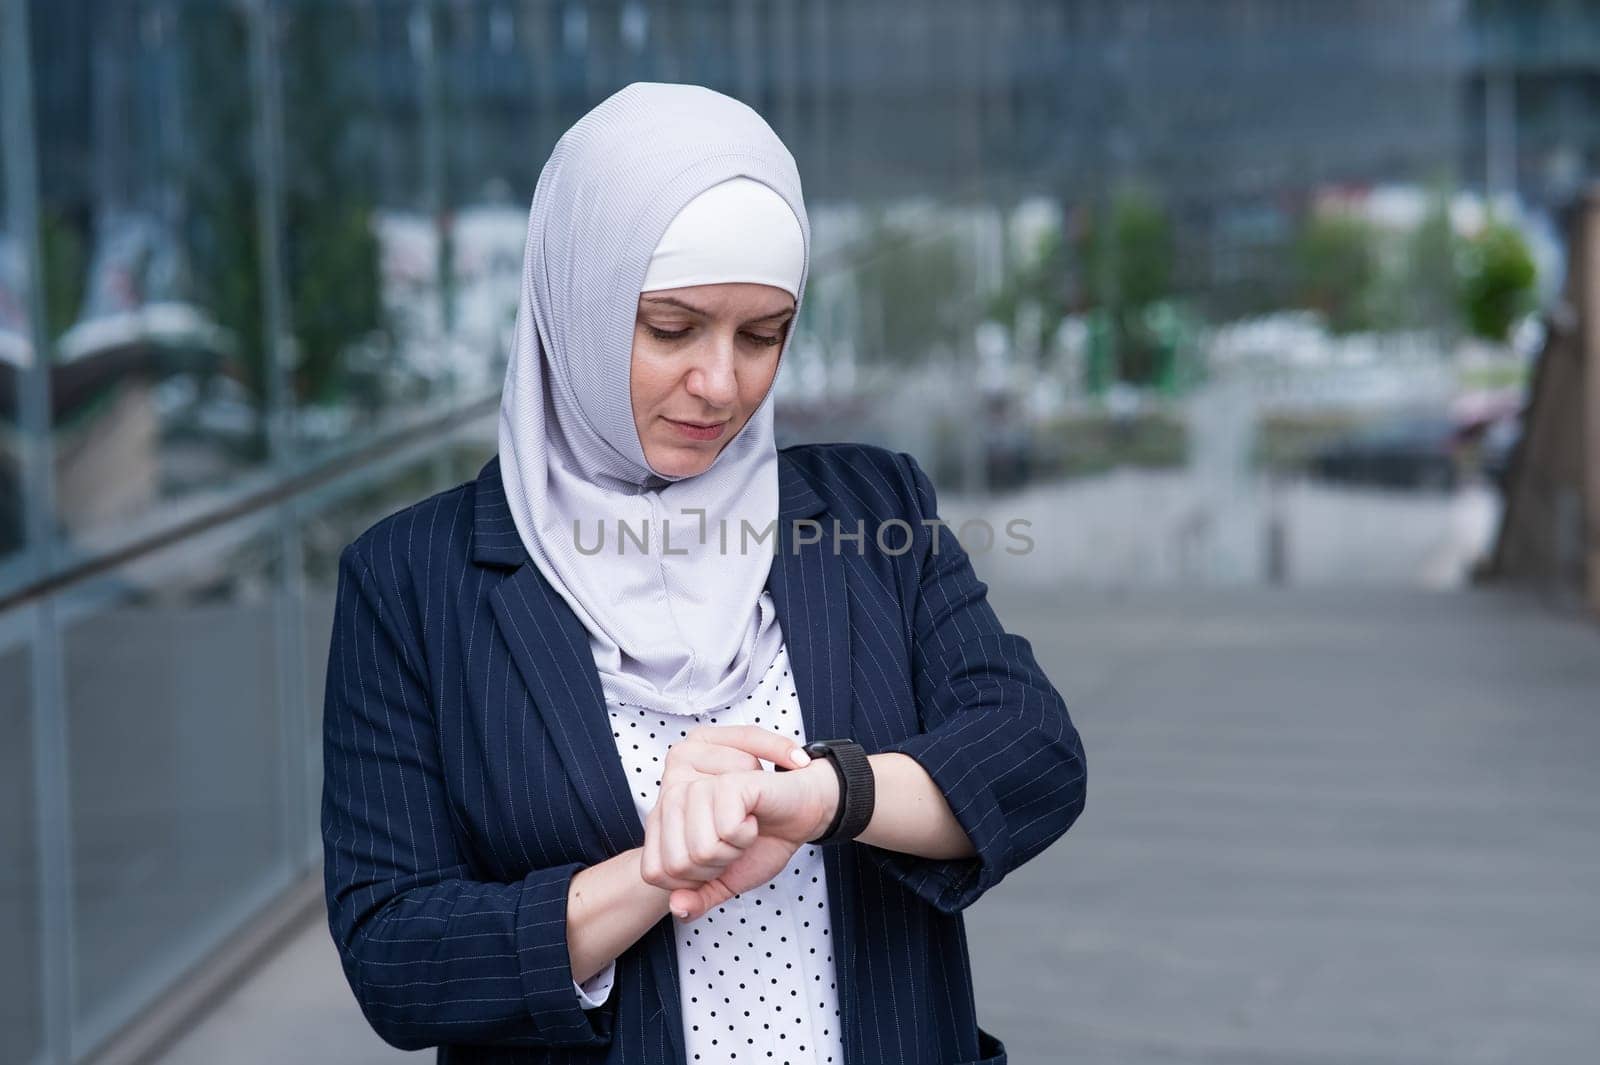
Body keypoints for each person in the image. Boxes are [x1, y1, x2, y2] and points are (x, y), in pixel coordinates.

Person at [321, 81, 1086, 1065]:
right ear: (579, 300)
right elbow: (398, 954)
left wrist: (820, 795)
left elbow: (1030, 752)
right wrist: (659, 868)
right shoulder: (416, 582)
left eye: (761, 335)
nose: (721, 383)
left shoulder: (868, 511)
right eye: (672, 328)